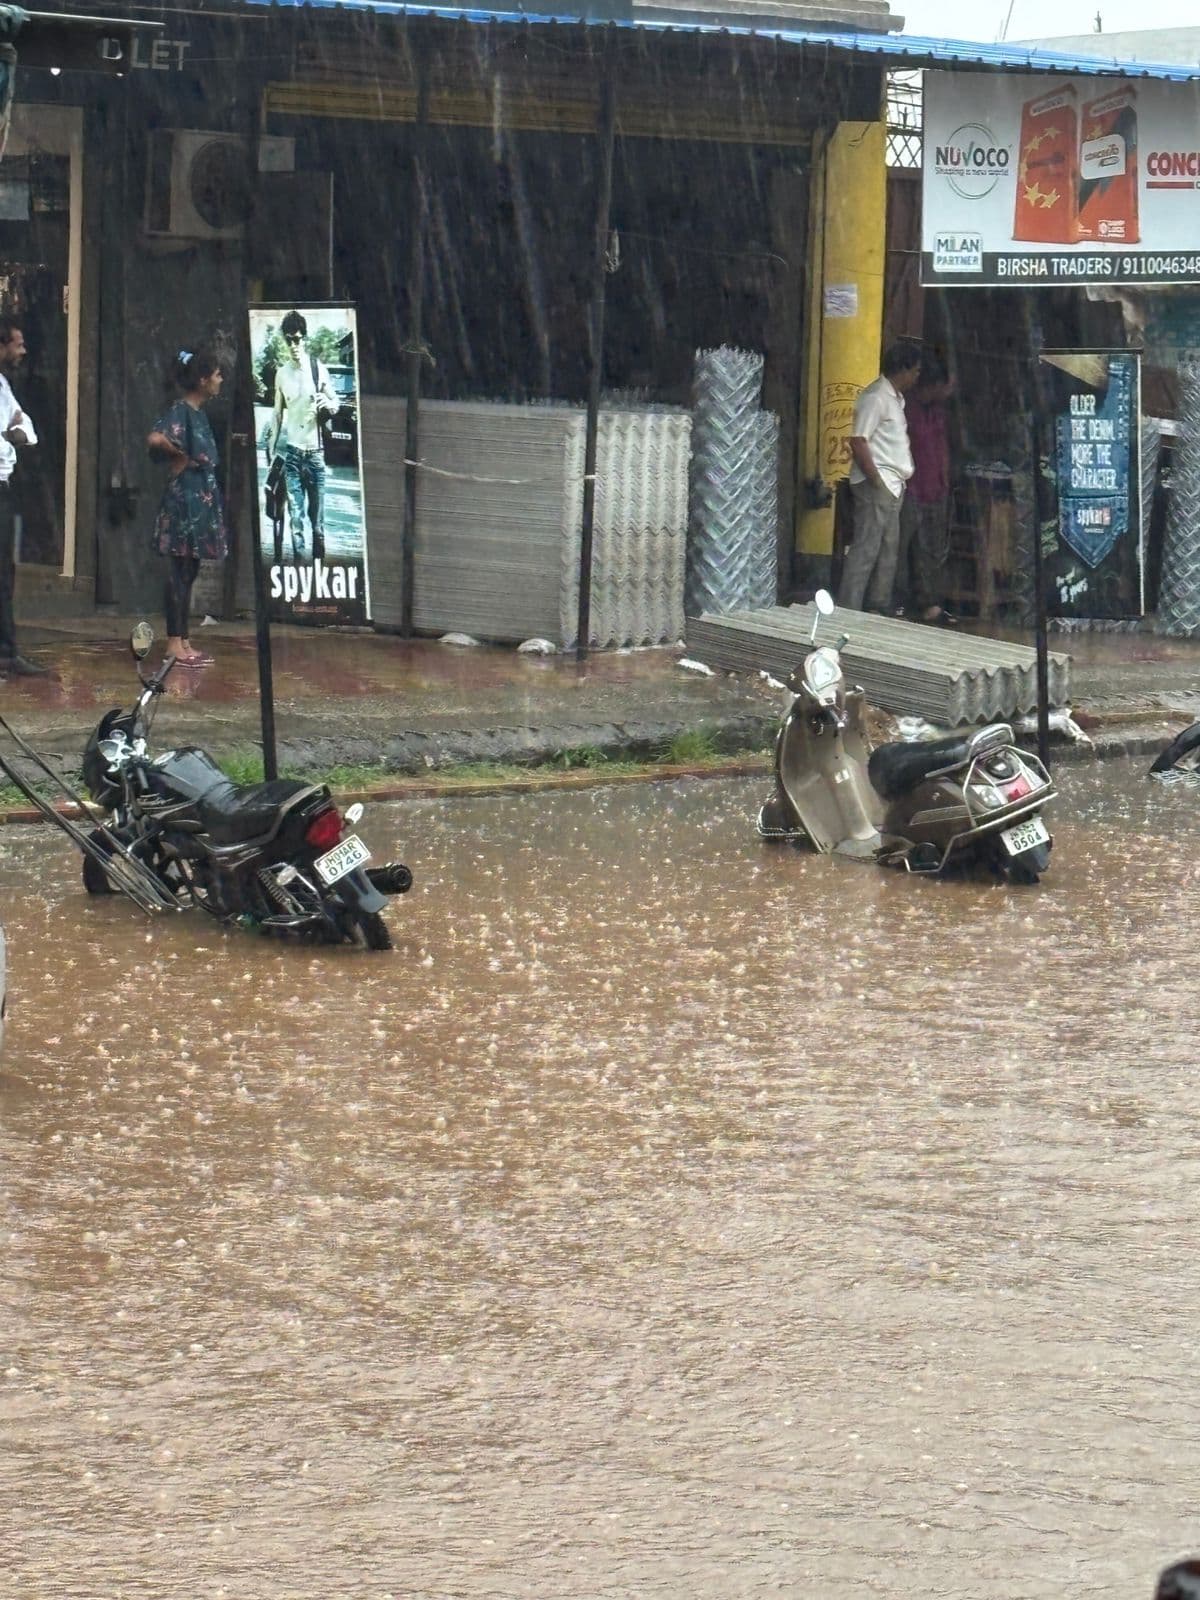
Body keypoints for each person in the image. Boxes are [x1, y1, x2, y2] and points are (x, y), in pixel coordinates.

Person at [146, 348, 228, 667]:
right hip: (186, 501)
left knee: (189, 570)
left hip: (200, 499)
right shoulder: (181, 410)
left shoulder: (199, 413)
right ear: (203, 379)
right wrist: (177, 455)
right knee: (179, 570)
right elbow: (155, 438)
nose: (221, 381)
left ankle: (183, 638)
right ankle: (173, 642)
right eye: (217, 375)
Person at [841, 338, 922, 614]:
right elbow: (858, 440)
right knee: (866, 548)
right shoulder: (875, 397)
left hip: (894, 484)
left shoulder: (896, 400)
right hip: (878, 482)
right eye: (915, 370)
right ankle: (849, 608)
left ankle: (878, 606)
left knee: (888, 549)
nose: (917, 376)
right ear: (903, 369)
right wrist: (875, 479)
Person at [0, 318, 49, 676]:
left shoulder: (3, 384)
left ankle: (6, 649)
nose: (23, 351)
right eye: (18, 343)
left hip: (5, 483)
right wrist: (10, 431)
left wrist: (15, 431)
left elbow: (26, 429)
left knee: (5, 570)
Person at [270, 310, 336, 563]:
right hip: (293, 456)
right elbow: (276, 416)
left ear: (305, 339)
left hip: (316, 456)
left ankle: (319, 572)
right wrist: (270, 451)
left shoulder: (318, 369)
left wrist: (328, 403)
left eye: (297, 339)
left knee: (317, 524)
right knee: (295, 521)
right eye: (289, 340)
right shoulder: (282, 374)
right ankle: (300, 571)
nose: (293, 345)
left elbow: (336, 402)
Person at [897, 352, 957, 625]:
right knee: (907, 546)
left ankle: (931, 603)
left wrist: (945, 480)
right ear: (933, 385)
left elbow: (941, 447)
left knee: (934, 548)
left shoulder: (938, 411)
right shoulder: (905, 409)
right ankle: (902, 601)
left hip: (936, 487)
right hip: (912, 486)